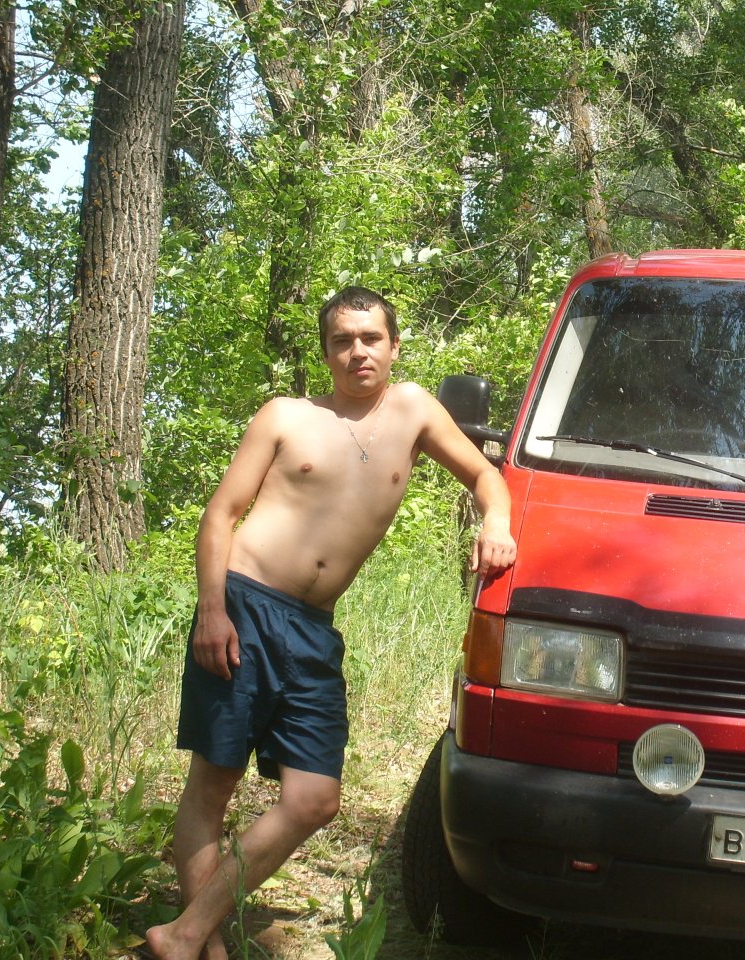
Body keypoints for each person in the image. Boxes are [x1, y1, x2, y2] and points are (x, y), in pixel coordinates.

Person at [145, 287, 517, 960]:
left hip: (313, 630)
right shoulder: (285, 415)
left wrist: (496, 523)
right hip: (243, 605)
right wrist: (212, 610)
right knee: (214, 781)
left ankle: (184, 934)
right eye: (342, 341)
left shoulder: (413, 409)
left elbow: (486, 478)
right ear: (325, 353)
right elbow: (220, 514)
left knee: (314, 799)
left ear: (394, 346)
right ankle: (200, 942)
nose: (357, 352)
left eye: (370, 338)